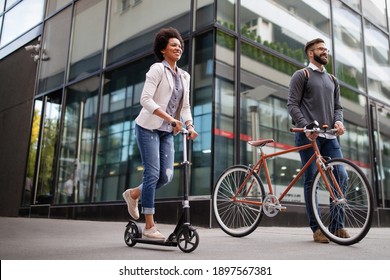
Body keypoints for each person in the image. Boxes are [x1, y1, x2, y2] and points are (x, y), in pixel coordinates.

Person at [122, 27, 198, 240]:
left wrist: (189, 125)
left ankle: (134, 194)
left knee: (166, 176)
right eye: (174, 45)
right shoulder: (157, 69)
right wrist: (170, 119)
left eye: (180, 46)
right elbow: (145, 100)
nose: (178, 48)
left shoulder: (185, 76)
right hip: (147, 127)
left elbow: (185, 106)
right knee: (152, 173)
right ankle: (149, 226)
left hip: (167, 132)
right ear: (163, 49)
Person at [287, 38, 349, 243]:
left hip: (330, 136)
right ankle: (317, 229)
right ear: (310, 53)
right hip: (308, 136)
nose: (325, 52)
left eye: (326, 49)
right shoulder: (301, 75)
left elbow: (338, 108)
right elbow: (292, 105)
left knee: (341, 177)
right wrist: (307, 125)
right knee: (311, 179)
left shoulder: (332, 79)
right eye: (321, 49)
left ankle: (337, 226)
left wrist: (338, 122)